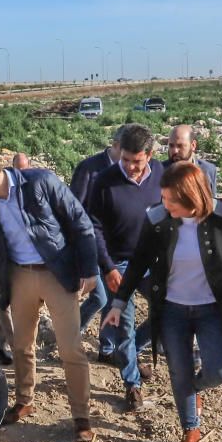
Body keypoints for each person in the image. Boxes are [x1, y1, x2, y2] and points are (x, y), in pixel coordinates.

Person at [104, 162, 222, 442]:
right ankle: (190, 429)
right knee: (179, 371)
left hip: (212, 309)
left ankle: (192, 389)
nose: (164, 204)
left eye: (171, 200)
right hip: (172, 310)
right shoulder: (159, 219)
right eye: (164, 198)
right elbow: (138, 263)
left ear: (191, 197)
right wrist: (119, 302)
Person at [0, 143, 98, 442]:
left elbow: (80, 222)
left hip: (57, 272)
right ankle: (24, 401)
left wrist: (89, 269)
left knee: (70, 348)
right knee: (21, 344)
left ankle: (81, 416)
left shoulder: (40, 183)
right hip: (19, 275)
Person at [87, 124, 163, 411]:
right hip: (118, 264)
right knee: (125, 324)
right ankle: (132, 384)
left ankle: (133, 350)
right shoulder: (103, 181)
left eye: (137, 161)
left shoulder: (161, 175)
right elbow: (93, 226)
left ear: (150, 155)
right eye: (126, 160)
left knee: (166, 310)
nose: (130, 167)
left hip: (153, 262)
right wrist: (107, 267)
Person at [70, 126, 125, 335]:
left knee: (110, 297)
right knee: (100, 297)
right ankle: (72, 332)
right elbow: (73, 208)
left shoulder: (124, 171)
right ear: (116, 145)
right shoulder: (89, 168)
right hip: (89, 244)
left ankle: (105, 346)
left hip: (112, 247)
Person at [167, 124, 217, 195]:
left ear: (193, 145)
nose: (175, 151)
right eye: (171, 146)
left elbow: (212, 202)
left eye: (180, 146)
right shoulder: (158, 171)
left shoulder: (208, 170)